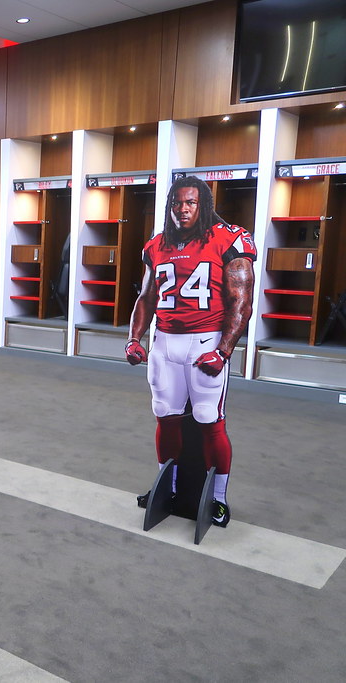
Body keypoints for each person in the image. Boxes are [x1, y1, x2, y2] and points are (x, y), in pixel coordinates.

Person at [125, 176, 256, 528]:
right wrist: (134, 338)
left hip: (205, 341)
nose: (182, 209)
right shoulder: (157, 245)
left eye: (190, 203)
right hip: (164, 342)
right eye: (177, 203)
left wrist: (224, 350)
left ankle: (218, 498)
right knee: (165, 416)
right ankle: (164, 488)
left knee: (209, 420)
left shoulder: (227, 239)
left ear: (204, 205)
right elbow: (147, 297)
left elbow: (241, 301)